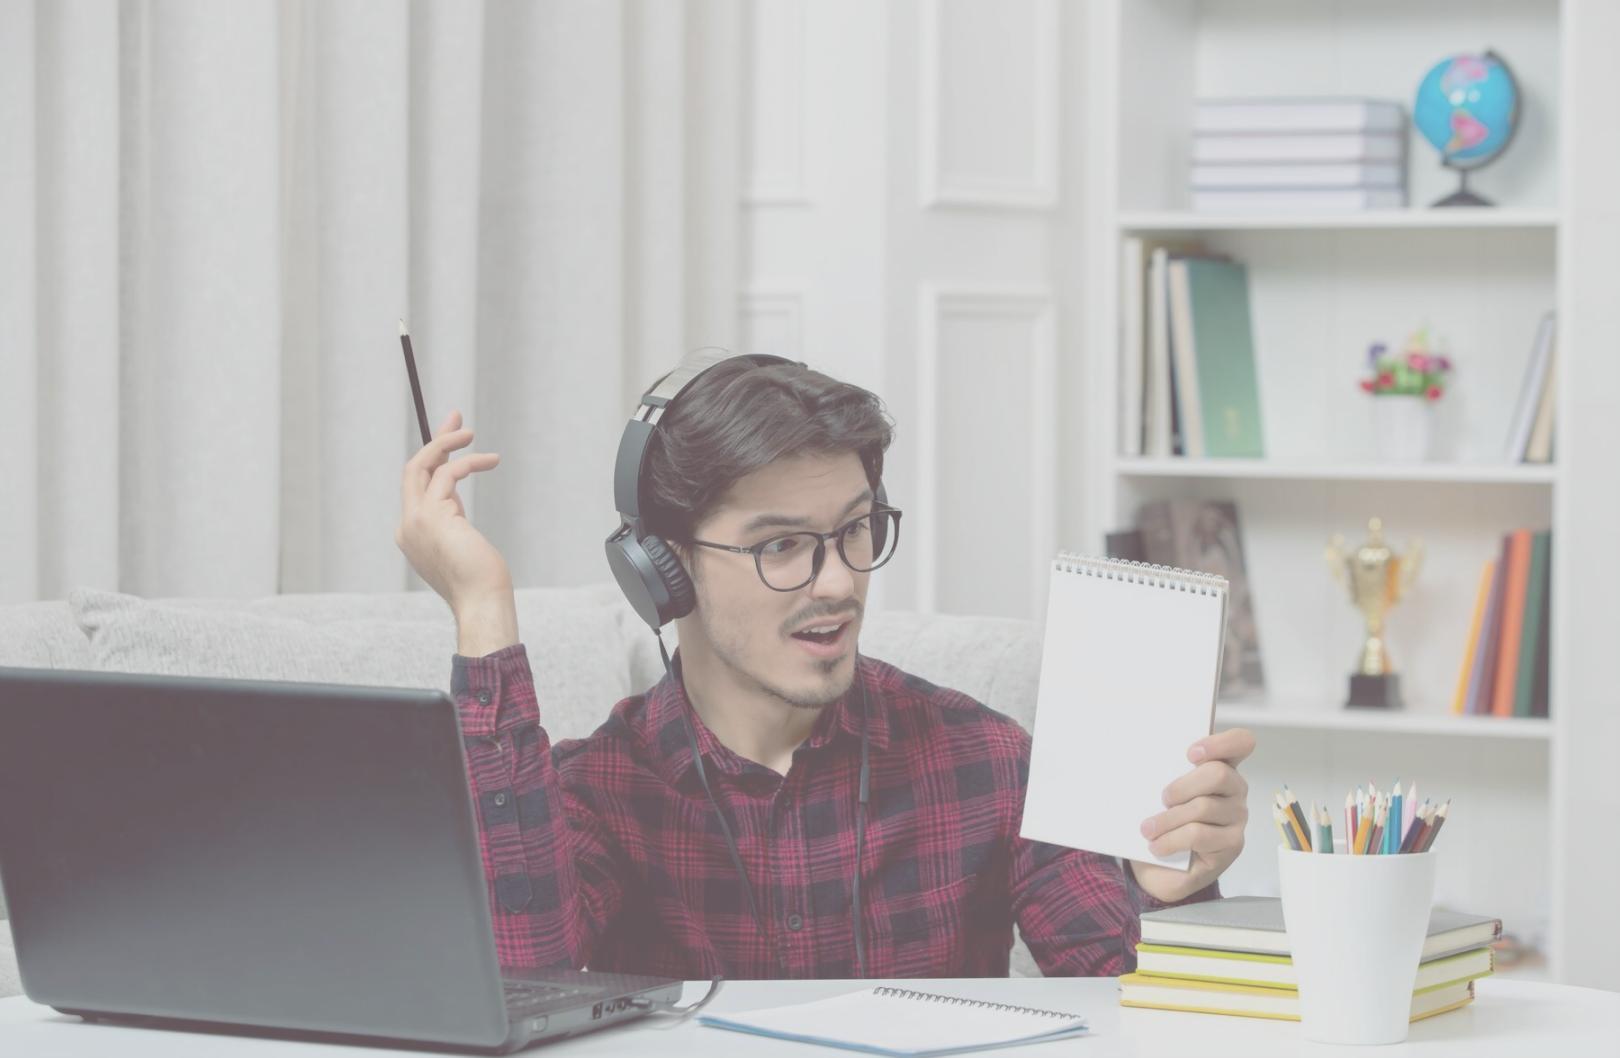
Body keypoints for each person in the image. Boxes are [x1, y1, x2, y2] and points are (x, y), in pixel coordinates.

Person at [395, 357, 1254, 979]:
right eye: (783, 547)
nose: (840, 581)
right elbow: (518, 982)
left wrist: (1166, 881)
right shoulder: (596, 793)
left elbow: (1132, 1010)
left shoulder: (987, 760)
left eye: (854, 530)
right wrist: (482, 609)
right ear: (663, 567)